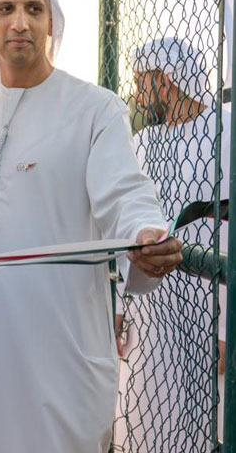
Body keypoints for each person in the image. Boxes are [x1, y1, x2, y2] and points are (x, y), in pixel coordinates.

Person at [0, 0, 183, 453]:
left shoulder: (96, 108)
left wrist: (145, 232)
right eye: (6, 9)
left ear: (52, 22)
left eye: (33, 9)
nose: (20, 22)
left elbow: (125, 192)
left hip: (62, 355)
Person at [114, 36, 229, 450]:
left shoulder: (225, 133)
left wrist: (226, 326)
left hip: (210, 306)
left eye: (142, 83)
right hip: (150, 309)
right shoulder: (143, 143)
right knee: (147, 420)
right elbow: (125, 226)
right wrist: (119, 307)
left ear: (165, 81)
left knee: (207, 422)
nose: (138, 95)